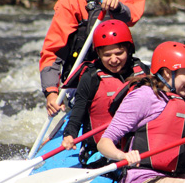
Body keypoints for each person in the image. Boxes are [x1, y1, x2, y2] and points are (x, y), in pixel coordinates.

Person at [40, 0, 146, 116]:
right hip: (83, 77)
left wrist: (118, 6)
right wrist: (51, 92)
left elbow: (132, 14)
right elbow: (53, 50)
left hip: (119, 68)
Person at [96, 41, 185, 183]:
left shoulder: (183, 104)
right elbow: (104, 143)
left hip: (173, 179)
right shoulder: (144, 96)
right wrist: (123, 156)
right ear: (168, 72)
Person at [60, 19, 148, 165]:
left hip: (136, 146)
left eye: (119, 53)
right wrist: (69, 134)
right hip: (100, 149)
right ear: (98, 53)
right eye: (107, 55)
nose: (114, 60)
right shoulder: (91, 77)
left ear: (129, 49)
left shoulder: (142, 71)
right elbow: (78, 112)